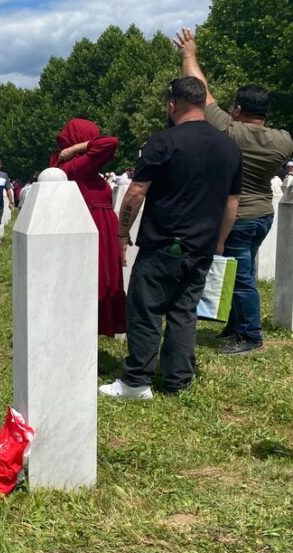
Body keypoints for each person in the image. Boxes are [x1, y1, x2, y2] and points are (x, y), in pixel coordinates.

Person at [100, 76, 242, 400]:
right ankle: (177, 380)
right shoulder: (229, 147)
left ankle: (137, 381)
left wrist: (122, 232)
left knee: (145, 309)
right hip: (203, 244)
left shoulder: (162, 142)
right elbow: (232, 202)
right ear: (204, 103)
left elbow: (136, 192)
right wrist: (220, 241)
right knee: (184, 311)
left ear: (172, 105)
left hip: (164, 243)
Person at [174, 28, 293, 354]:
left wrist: (189, 54)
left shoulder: (230, 131)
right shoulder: (283, 140)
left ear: (238, 110)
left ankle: (251, 336)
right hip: (263, 214)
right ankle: (237, 325)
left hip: (237, 217)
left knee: (242, 280)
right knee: (244, 269)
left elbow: (201, 90)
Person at [50, 118, 126, 337]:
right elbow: (110, 142)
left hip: (103, 226)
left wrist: (75, 148)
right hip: (93, 225)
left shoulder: (79, 165)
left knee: (106, 279)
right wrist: (78, 148)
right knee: (97, 280)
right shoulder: (73, 166)